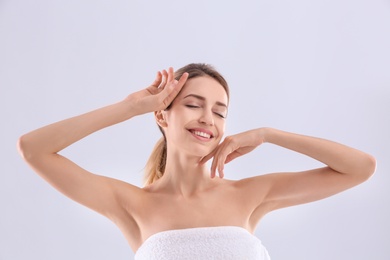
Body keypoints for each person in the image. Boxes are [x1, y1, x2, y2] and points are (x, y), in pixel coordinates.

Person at [17, 63, 376, 259]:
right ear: (162, 115)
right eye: (193, 104)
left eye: (220, 112)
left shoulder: (251, 195)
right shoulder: (132, 205)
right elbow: (34, 148)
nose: (208, 118)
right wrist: (129, 108)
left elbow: (361, 167)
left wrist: (269, 134)